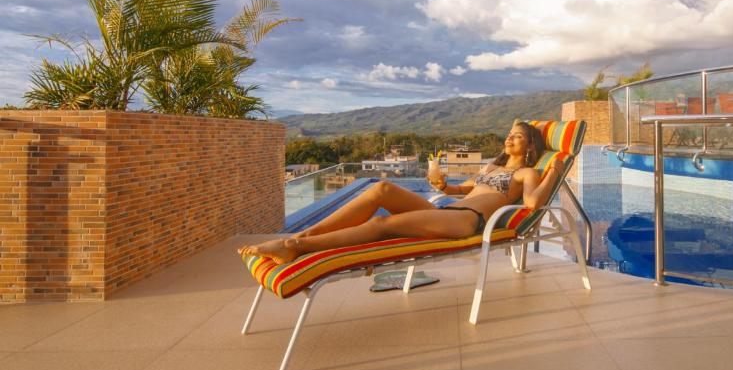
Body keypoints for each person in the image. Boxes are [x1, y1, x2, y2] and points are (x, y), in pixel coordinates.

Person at [238, 121, 564, 264]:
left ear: (531, 145)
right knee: (381, 188)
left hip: (469, 221)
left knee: (383, 225)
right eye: (509, 135)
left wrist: (553, 172)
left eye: (518, 137)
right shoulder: (491, 168)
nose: (509, 139)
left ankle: (296, 245)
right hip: (448, 211)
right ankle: (311, 232)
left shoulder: (527, 172)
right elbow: (455, 189)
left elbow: (534, 203)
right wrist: (441, 184)